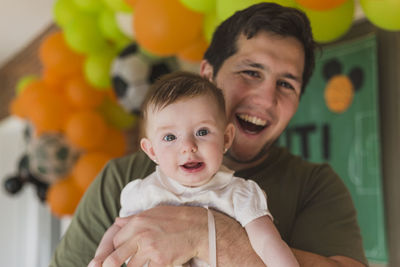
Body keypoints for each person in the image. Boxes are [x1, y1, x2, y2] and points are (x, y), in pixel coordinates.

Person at [50, 3, 368, 267]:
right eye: (251, 72)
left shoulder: (315, 187)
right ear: (208, 76)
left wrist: (210, 235)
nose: (266, 99)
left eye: (286, 84)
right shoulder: (124, 181)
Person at [89, 71, 299, 267]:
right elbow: (118, 229)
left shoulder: (238, 194)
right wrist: (100, 258)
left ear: (226, 138)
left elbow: (266, 242)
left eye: (202, 131)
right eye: (170, 137)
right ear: (151, 150)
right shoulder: (144, 192)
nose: (188, 146)